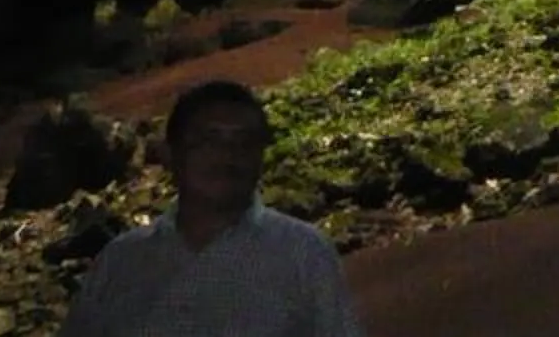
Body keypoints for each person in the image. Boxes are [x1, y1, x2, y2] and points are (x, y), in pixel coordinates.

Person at [59, 79, 365, 337]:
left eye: (244, 143)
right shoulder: (121, 262)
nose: (227, 156)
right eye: (209, 140)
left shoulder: (304, 253)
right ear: (172, 153)